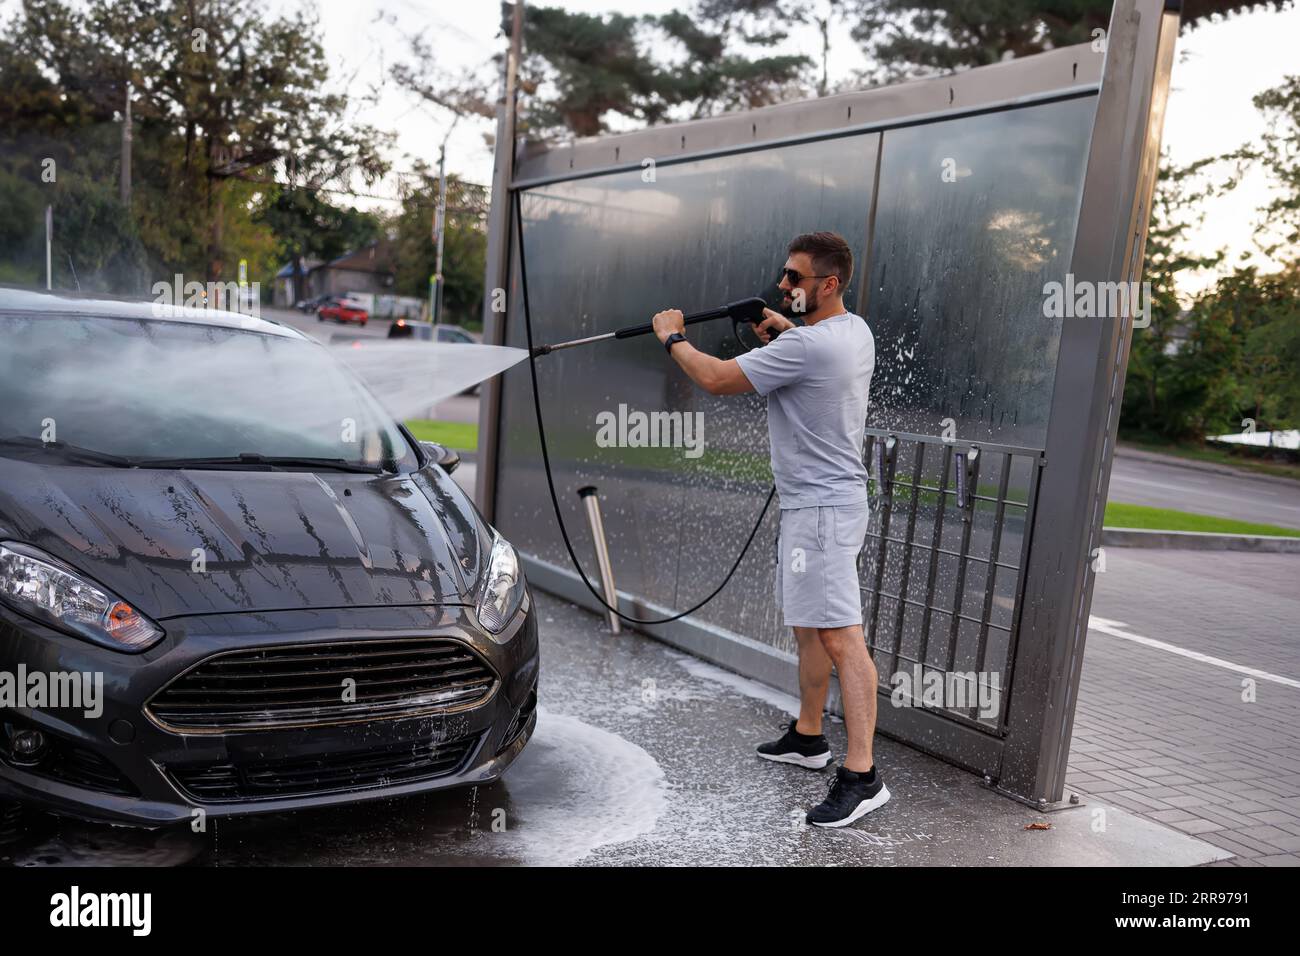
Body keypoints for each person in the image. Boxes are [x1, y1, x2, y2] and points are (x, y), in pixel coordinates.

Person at [650, 230, 887, 827]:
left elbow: (715, 377)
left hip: (824, 513)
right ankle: (810, 738)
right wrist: (785, 328)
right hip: (815, 505)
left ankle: (863, 776)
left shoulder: (808, 348)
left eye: (795, 279)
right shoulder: (850, 331)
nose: (782, 287)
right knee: (810, 627)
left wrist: (673, 336)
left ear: (828, 285)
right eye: (784, 276)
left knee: (841, 639)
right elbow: (811, 350)